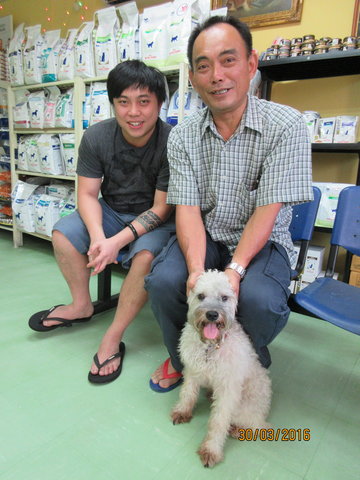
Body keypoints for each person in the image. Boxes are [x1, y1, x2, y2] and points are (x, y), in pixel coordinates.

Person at [145, 15, 313, 392]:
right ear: (193, 76)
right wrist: (194, 271)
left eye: (228, 60)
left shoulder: (286, 126)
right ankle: (187, 360)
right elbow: (187, 209)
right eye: (203, 66)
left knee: (260, 301)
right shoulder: (183, 135)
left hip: (262, 240)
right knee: (164, 282)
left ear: (251, 64)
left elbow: (267, 212)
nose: (216, 75)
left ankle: (243, 361)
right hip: (207, 236)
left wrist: (234, 272)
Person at [28, 60, 175, 384]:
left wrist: (116, 242)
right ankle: (81, 305)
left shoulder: (171, 142)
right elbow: (87, 194)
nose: (133, 112)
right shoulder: (97, 136)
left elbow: (162, 209)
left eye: (143, 101)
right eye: (123, 102)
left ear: (159, 103)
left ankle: (113, 336)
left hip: (154, 218)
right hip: (111, 210)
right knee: (63, 233)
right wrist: (98, 237)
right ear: (113, 103)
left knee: (146, 258)